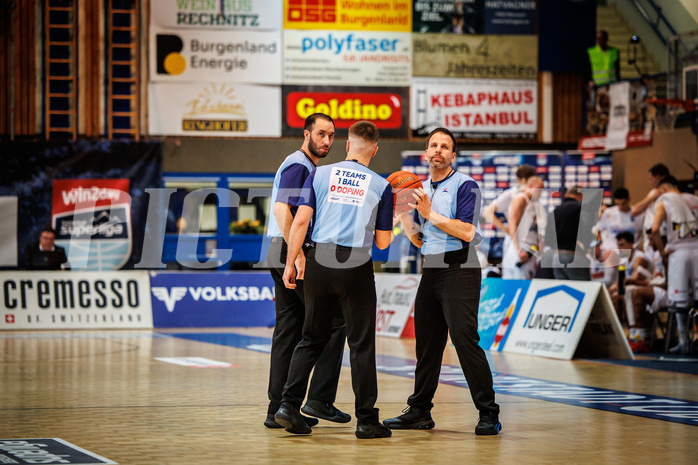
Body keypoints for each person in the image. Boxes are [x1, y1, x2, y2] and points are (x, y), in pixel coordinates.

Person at [274, 121, 394, 439]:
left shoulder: (320, 173)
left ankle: (287, 406)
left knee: (311, 338)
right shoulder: (382, 186)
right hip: (354, 266)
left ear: (347, 145)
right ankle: (367, 420)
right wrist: (394, 218)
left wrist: (291, 263)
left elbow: (300, 221)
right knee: (361, 345)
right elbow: (383, 243)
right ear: (375, 149)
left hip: (317, 263)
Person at [384, 127, 501, 436]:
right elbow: (421, 240)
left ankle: (489, 412)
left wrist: (429, 212)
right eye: (433, 145)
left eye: (444, 146)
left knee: (464, 340)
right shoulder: (420, 190)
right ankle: (420, 410)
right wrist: (404, 214)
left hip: (460, 268)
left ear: (452, 155)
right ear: (426, 153)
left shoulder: (466, 186)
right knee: (427, 345)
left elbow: (466, 232)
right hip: (431, 269)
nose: (437, 150)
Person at [264, 113, 350, 429]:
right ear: (306, 134)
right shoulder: (300, 164)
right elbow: (279, 208)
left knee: (290, 330)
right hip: (288, 249)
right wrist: (297, 254)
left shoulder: (306, 166)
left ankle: (278, 410)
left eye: (331, 135)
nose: (327, 141)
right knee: (333, 320)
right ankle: (319, 399)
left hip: (277, 248)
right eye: (321, 134)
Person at [650, 175, 698, 353]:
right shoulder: (695, 199)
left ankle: (684, 341)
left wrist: (662, 251)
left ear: (663, 189)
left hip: (679, 253)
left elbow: (655, 230)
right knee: (696, 300)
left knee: (680, 301)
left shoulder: (664, 201)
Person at [536, 186, 595, 281]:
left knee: (562, 291)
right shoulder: (582, 209)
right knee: (582, 291)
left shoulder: (555, 211)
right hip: (575, 256)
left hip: (556, 257)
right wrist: (586, 246)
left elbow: (548, 239)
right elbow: (586, 232)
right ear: (581, 196)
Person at [502, 176, 546, 280]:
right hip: (519, 246)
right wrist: (518, 249)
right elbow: (512, 224)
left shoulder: (534, 203)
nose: (540, 194)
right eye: (539, 190)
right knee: (517, 279)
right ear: (530, 186)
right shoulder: (520, 199)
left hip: (529, 248)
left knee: (528, 278)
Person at [596, 187, 643, 253]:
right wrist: (600, 243)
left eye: (623, 203)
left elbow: (644, 233)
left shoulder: (638, 214)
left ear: (629, 199)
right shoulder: (608, 213)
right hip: (611, 250)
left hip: (630, 251)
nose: (621, 206)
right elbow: (599, 230)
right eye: (618, 204)